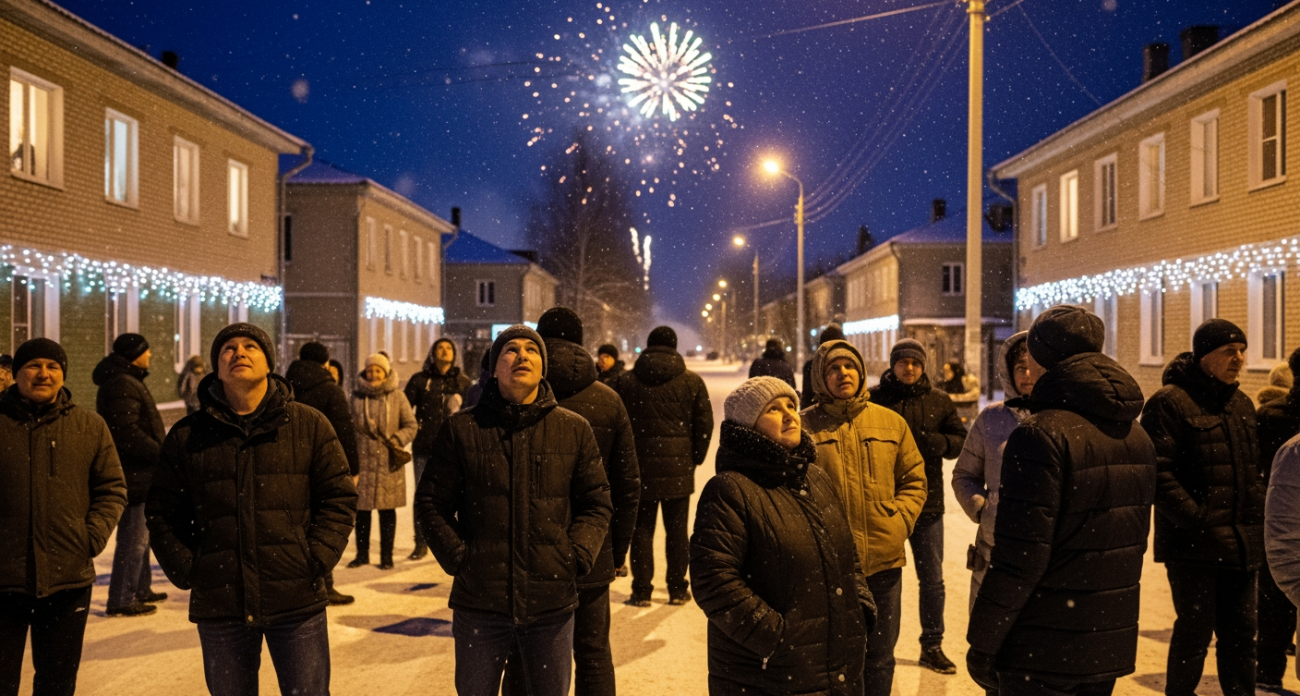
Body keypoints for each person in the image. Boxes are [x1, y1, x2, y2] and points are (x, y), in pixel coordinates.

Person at [147, 323, 357, 696]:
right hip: (221, 599)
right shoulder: (188, 435)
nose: (239, 353)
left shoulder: (308, 425)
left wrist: (316, 557)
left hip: (295, 597)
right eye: (228, 348)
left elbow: (337, 498)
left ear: (270, 363)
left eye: (250, 347)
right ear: (217, 365)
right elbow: (163, 511)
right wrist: (190, 567)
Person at [966, 305, 1156, 696]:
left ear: (1042, 358)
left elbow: (1020, 559)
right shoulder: (1135, 434)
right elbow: (1129, 543)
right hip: (1104, 638)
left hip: (1041, 645)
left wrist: (982, 641)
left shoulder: (1039, 435)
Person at [415, 325, 612, 696]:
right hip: (480, 604)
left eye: (531, 350)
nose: (521, 356)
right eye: (510, 350)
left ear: (543, 366)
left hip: (550, 605)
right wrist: (461, 558)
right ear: (493, 367)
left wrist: (575, 555)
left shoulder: (573, 429)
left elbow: (596, 502)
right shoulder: (462, 429)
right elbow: (431, 503)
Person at [691, 376, 874, 695]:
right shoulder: (730, 489)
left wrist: (860, 609)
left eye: (791, 405)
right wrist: (777, 638)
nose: (790, 414)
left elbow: (847, 556)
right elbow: (713, 582)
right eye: (773, 409)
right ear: (748, 427)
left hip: (837, 667)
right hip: (769, 676)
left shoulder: (815, 478)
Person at [502, 307, 640, 696]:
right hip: (591, 549)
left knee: (525, 653)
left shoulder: (514, 393)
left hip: (524, 551)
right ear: (582, 341)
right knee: (593, 651)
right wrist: (616, 550)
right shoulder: (608, 401)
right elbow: (628, 484)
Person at [1140, 318, 1263, 696]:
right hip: (1193, 544)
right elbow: (1157, 471)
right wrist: (1196, 517)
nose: (1239, 359)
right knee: (1195, 631)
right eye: (1229, 351)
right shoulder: (1170, 402)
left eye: (1242, 351)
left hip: (1241, 541)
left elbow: (1252, 471)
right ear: (1205, 356)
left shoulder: (1241, 403)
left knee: (1242, 631)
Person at [0, 339, 127, 696]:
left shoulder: (89, 426)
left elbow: (112, 488)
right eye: (33, 366)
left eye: (52, 366)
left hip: (67, 579)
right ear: (16, 374)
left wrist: (89, 537)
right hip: (3, 579)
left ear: (63, 374)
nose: (43, 374)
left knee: (57, 683)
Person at [801, 339, 926, 696]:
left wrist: (897, 520)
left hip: (884, 564)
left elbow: (914, 480)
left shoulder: (891, 423)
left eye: (850, 367)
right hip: (829, 566)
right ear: (820, 377)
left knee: (880, 656)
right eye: (833, 369)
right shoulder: (804, 427)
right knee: (832, 658)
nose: (843, 374)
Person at [868, 338, 966, 674]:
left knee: (932, 579)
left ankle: (932, 645)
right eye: (902, 362)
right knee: (880, 579)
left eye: (915, 362)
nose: (909, 368)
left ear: (923, 366)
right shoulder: (875, 399)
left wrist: (939, 442)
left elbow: (959, 442)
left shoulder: (939, 401)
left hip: (928, 504)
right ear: (893, 364)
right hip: (883, 504)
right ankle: (876, 647)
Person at [613, 326, 713, 606]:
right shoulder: (692, 383)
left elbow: (616, 424)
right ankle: (678, 589)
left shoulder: (626, 382)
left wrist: (622, 461)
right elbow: (704, 423)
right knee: (677, 531)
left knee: (641, 530)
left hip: (639, 469)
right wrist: (694, 457)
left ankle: (642, 590)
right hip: (678, 470)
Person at [951, 331, 1036, 612]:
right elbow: (964, 474)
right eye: (1019, 368)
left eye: (1033, 367)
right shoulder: (992, 417)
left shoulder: (1062, 419)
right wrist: (983, 509)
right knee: (987, 632)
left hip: (1043, 551)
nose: (1026, 375)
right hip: (993, 547)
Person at [94, 333, 167, 618]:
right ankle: (123, 598)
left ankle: (140, 589)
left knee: (142, 536)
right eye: (146, 351)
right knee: (134, 538)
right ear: (134, 354)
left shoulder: (127, 380)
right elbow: (126, 432)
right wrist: (160, 452)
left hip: (140, 472)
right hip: (132, 473)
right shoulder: (122, 383)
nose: (150, 356)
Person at [285, 341, 361, 605]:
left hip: (288, 466)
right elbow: (344, 432)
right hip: (322, 465)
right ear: (326, 363)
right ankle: (323, 583)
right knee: (323, 525)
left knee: (296, 524)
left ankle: (296, 582)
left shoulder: (286, 386)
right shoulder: (330, 389)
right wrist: (352, 469)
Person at [1255, 347, 1300, 692]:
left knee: (1274, 600)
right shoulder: (1287, 438)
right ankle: (1268, 668)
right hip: (1274, 520)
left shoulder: (1274, 417)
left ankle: (1269, 667)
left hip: (1272, 518)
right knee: (1275, 598)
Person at [404, 337, 472, 561]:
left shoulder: (462, 382)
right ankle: (420, 542)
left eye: (448, 348)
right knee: (423, 497)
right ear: (432, 353)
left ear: (454, 354)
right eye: (439, 348)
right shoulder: (420, 380)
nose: (444, 351)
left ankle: (453, 541)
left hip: (455, 449)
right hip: (425, 447)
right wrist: (412, 428)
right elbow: (403, 409)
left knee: (458, 496)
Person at [347, 353, 417, 570]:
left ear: (385, 372)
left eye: (378, 370)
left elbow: (411, 425)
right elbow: (348, 426)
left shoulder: (398, 397)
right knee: (362, 511)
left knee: (387, 512)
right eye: (370, 370)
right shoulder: (356, 397)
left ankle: (386, 556)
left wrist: (397, 439)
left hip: (388, 463)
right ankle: (362, 554)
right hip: (364, 461)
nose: (373, 374)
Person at [801, 323, 844, 409]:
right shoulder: (846, 364)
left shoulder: (811, 365)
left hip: (815, 413)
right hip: (839, 413)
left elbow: (806, 396)